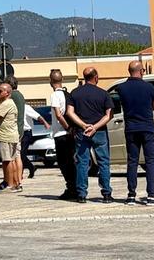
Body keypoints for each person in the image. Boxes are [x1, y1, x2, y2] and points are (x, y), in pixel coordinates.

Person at [113, 60, 154, 205]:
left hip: (131, 129)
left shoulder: (121, 88)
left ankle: (131, 195)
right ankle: (152, 196)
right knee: (151, 161)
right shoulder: (148, 87)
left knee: (132, 161)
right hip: (147, 127)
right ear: (141, 71)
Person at [65, 67, 114, 203]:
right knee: (103, 162)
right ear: (96, 77)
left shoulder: (74, 93)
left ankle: (81, 194)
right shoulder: (103, 94)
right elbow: (109, 114)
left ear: (84, 77)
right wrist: (95, 126)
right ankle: (106, 194)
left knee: (82, 162)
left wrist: (83, 125)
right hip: (100, 132)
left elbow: (69, 112)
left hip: (82, 132)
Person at [47, 69, 77, 200]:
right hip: (70, 134)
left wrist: (67, 127)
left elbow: (58, 114)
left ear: (51, 81)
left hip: (61, 133)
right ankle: (75, 186)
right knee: (71, 161)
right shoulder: (68, 94)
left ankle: (71, 187)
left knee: (63, 162)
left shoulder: (55, 96)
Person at [0, 82, 22, 194]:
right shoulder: (8, 103)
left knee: (7, 161)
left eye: (0, 90)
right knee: (11, 160)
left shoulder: (6, 104)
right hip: (11, 135)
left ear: (7, 92)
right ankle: (14, 182)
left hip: (6, 136)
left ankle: (10, 184)